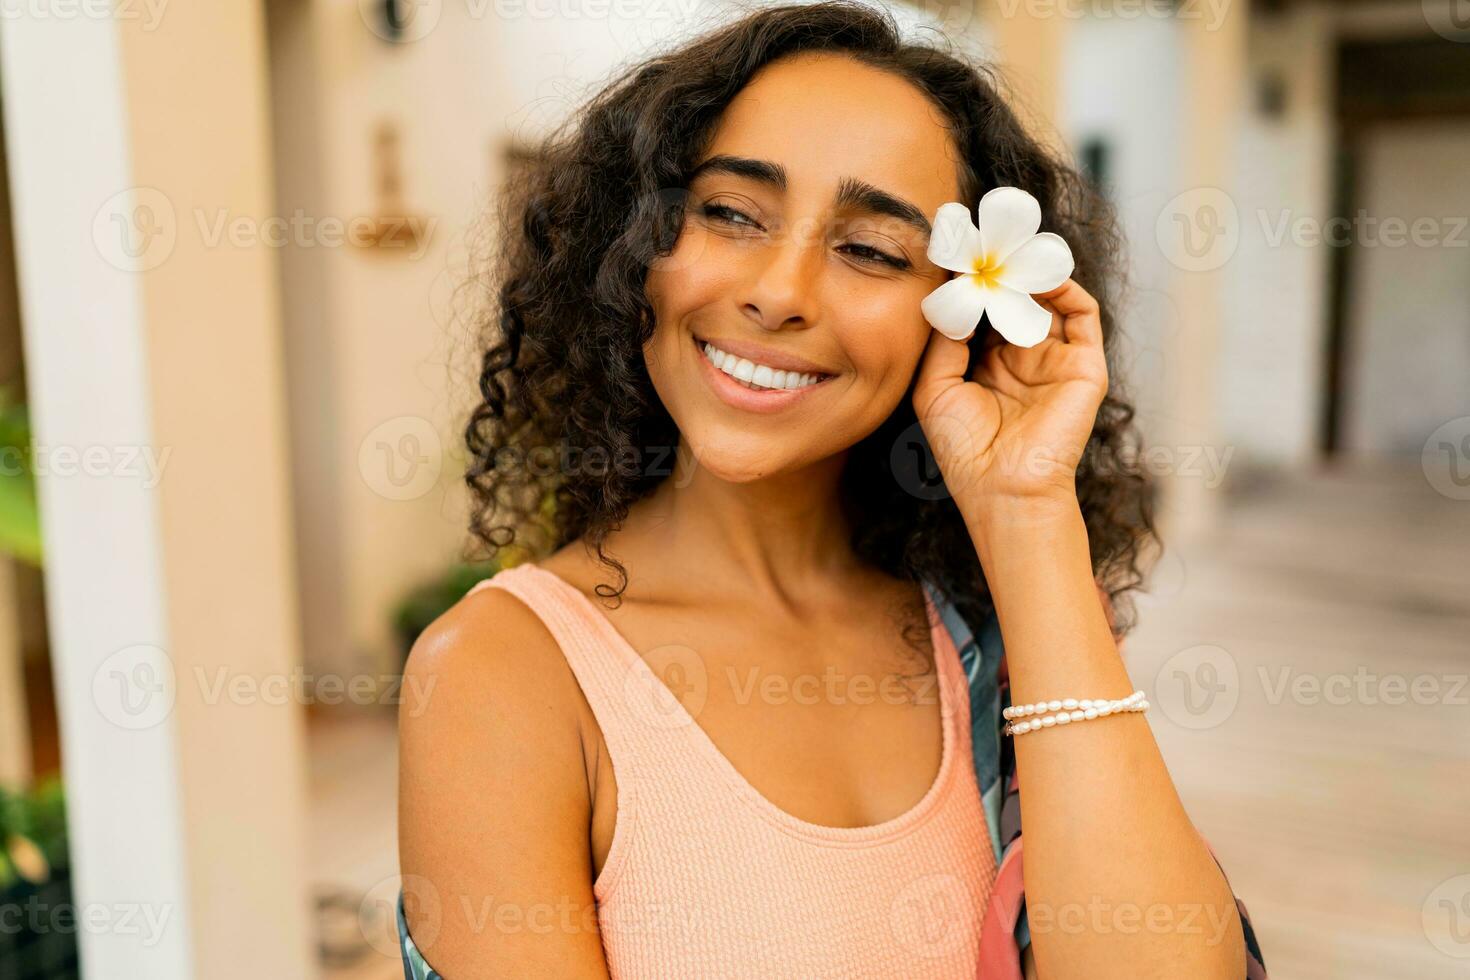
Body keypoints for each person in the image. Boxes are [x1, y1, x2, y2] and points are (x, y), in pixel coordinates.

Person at [397, 3, 1266, 976]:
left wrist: (1027, 514)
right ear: (631, 241)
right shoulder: (502, 672)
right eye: (729, 212)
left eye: (872, 249)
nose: (780, 290)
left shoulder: (973, 634)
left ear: (965, 317)